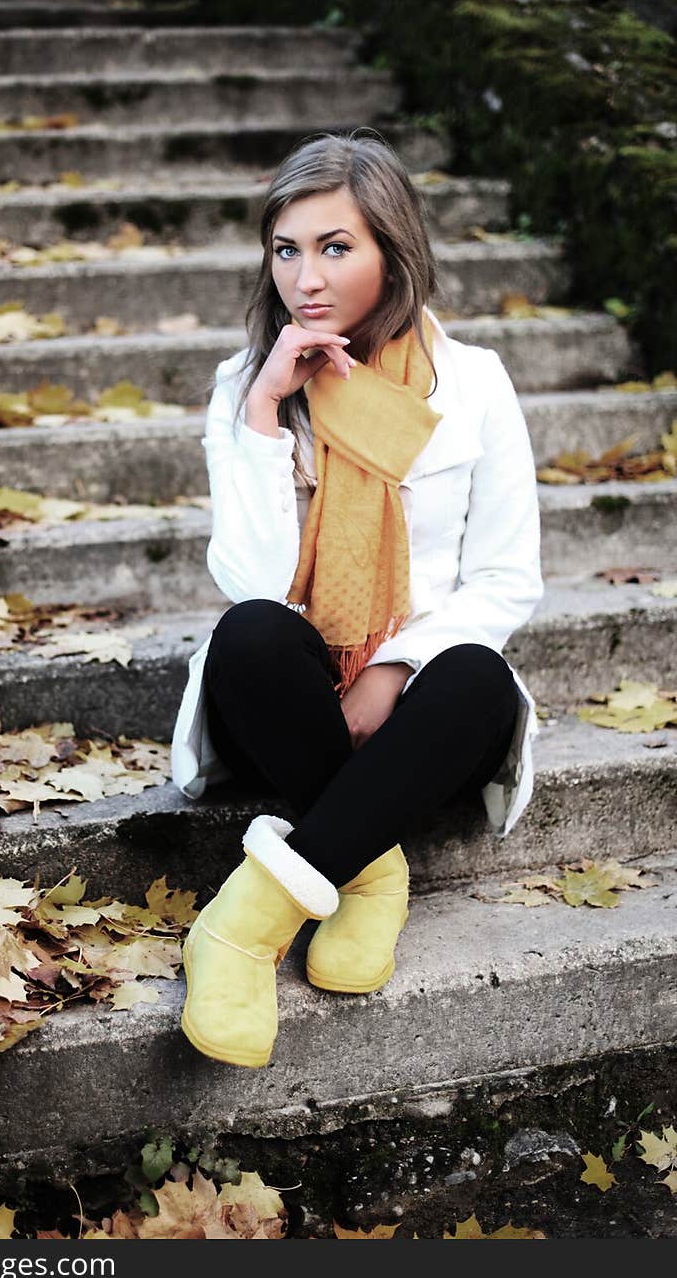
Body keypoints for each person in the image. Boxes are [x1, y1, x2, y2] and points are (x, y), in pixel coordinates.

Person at [169, 129, 544, 1070]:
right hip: (287, 708)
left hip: (416, 716)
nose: (308, 277)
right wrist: (262, 416)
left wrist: (387, 668)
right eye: (287, 249)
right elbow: (252, 583)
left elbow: (506, 578)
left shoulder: (476, 386)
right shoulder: (245, 386)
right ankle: (368, 873)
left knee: (479, 681)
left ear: (393, 251)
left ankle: (241, 926)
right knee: (249, 634)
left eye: (337, 247)